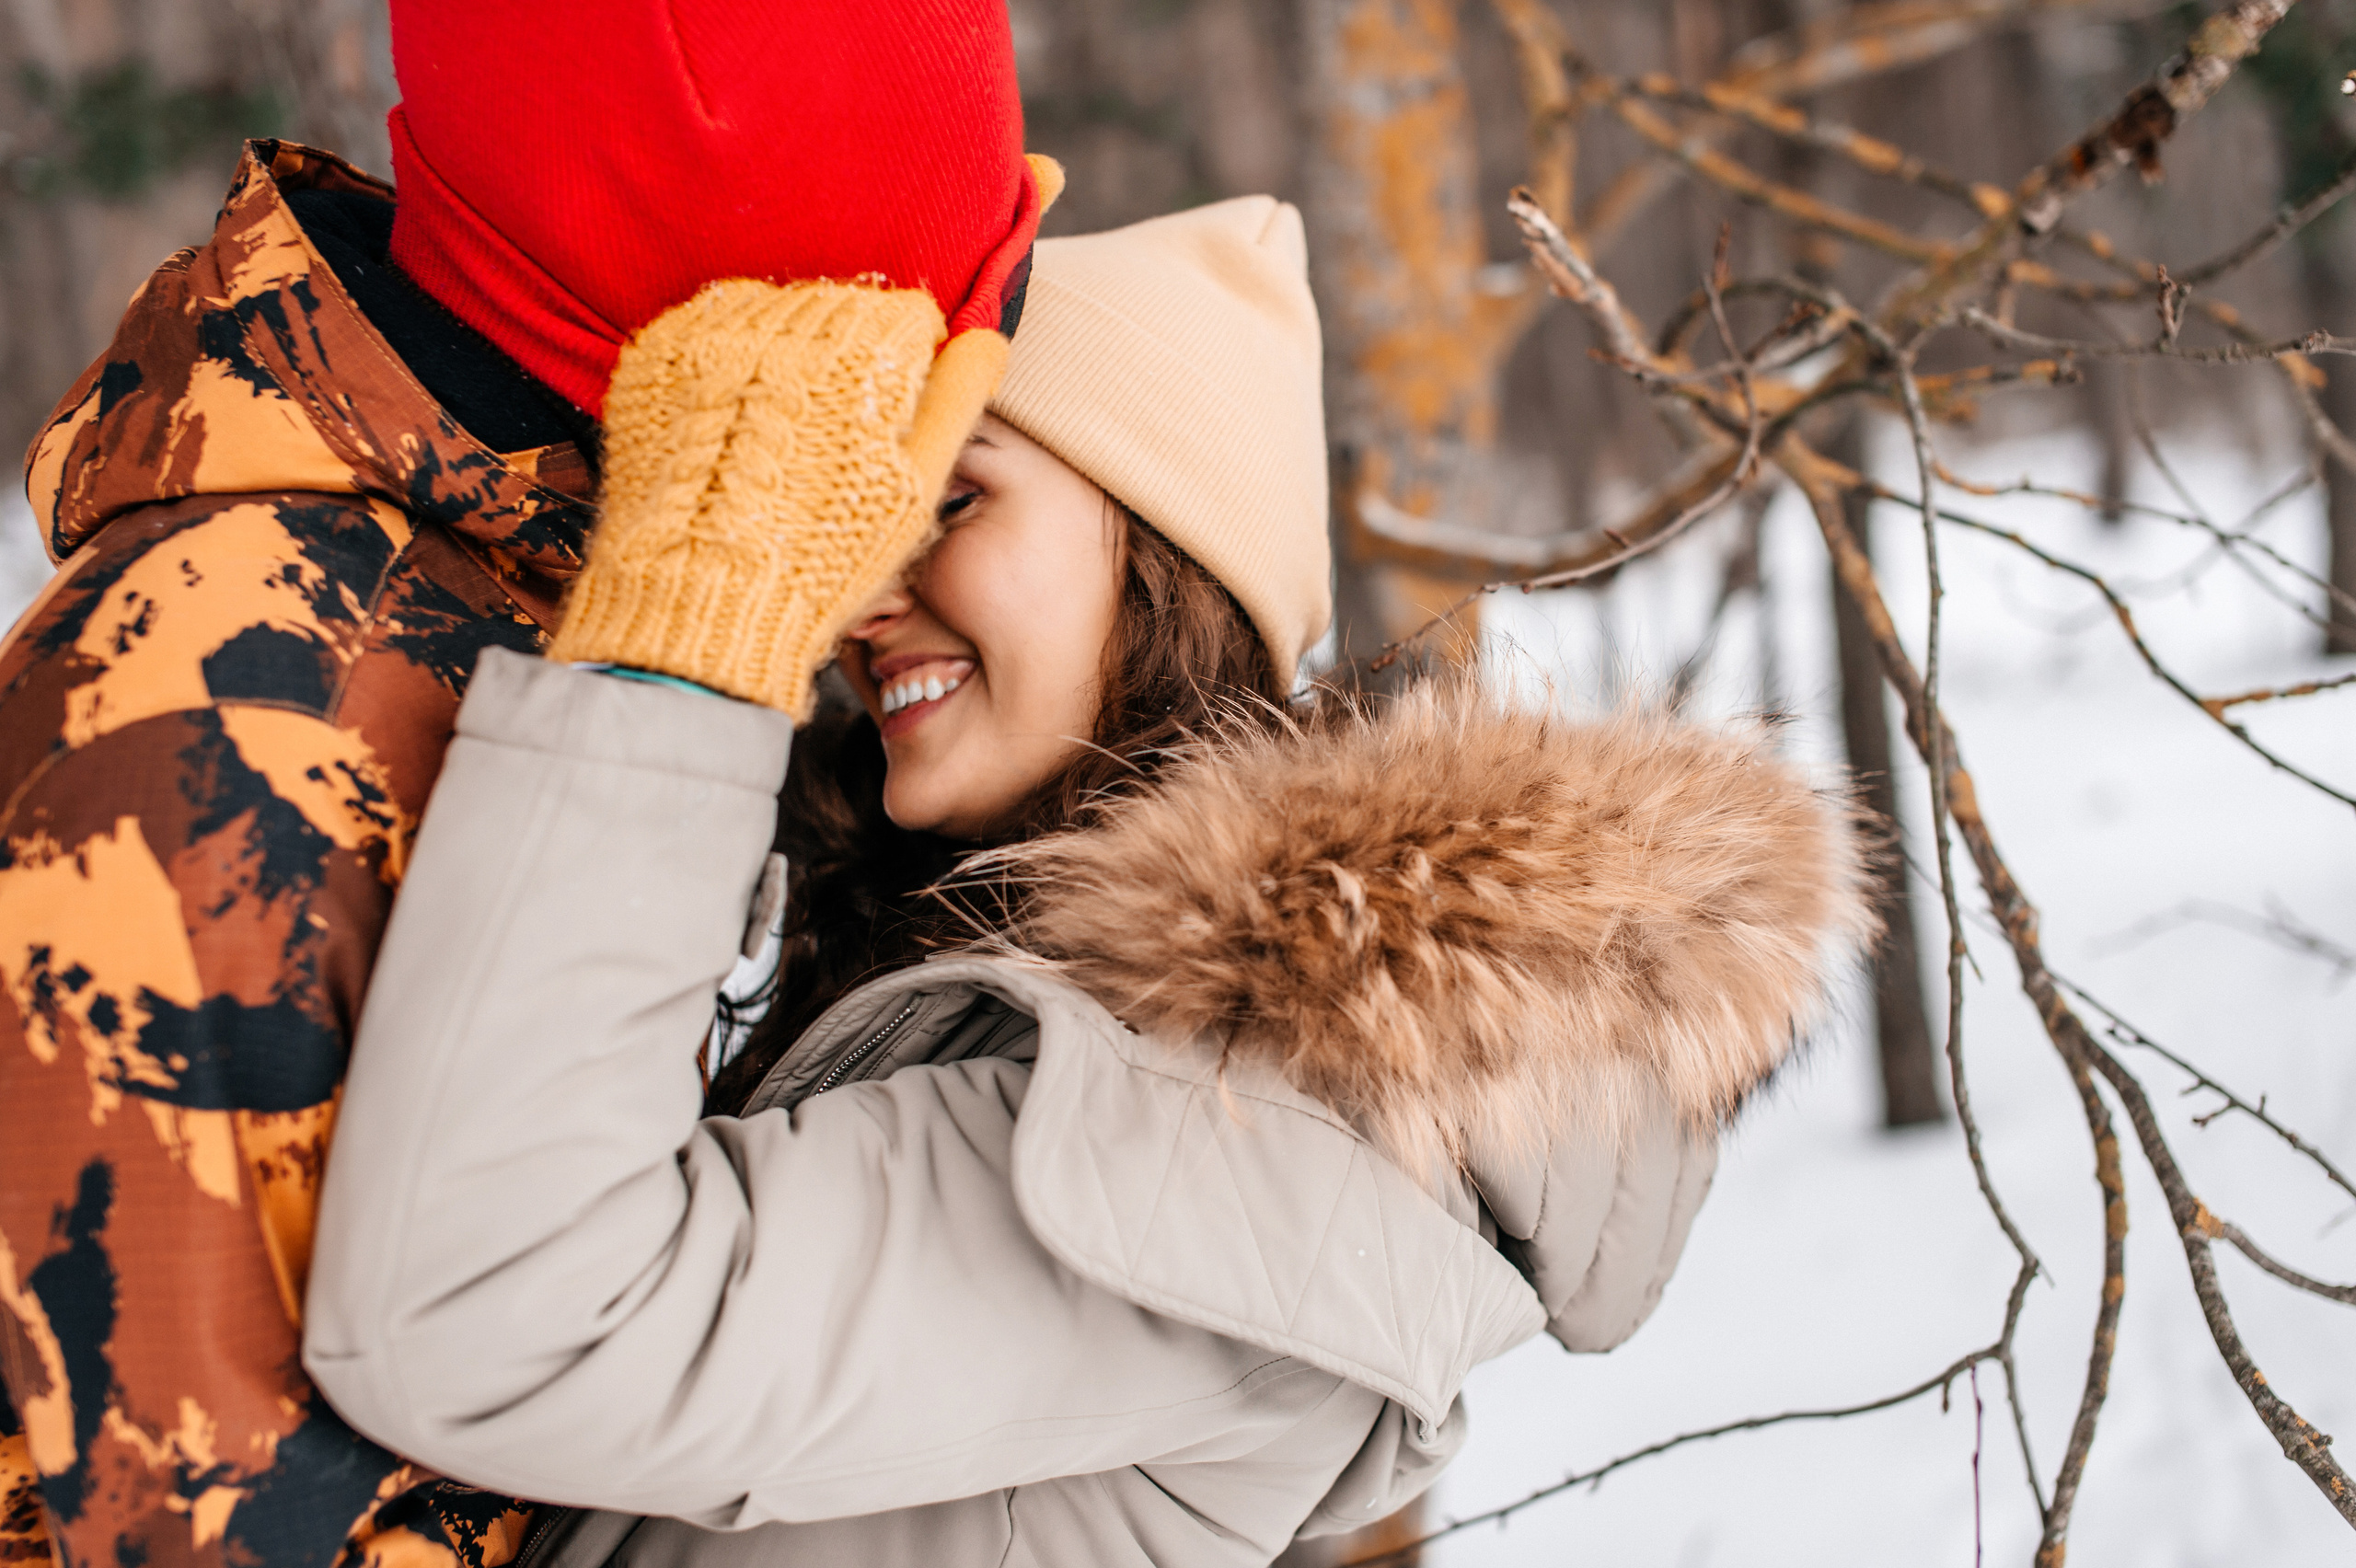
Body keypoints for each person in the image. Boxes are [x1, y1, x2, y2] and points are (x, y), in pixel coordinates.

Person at [297, 197, 1875, 1565]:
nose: (860, 592)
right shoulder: (1048, 1014)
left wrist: (689, 637)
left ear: (1167, 550)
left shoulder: (1265, 1126)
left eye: (956, 500)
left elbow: (501, 1317)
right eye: (864, 514)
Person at [0, 6, 1049, 1568]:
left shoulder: (503, 620)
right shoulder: (250, 720)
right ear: (761, 352)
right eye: (913, 384)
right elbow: (229, 1525)